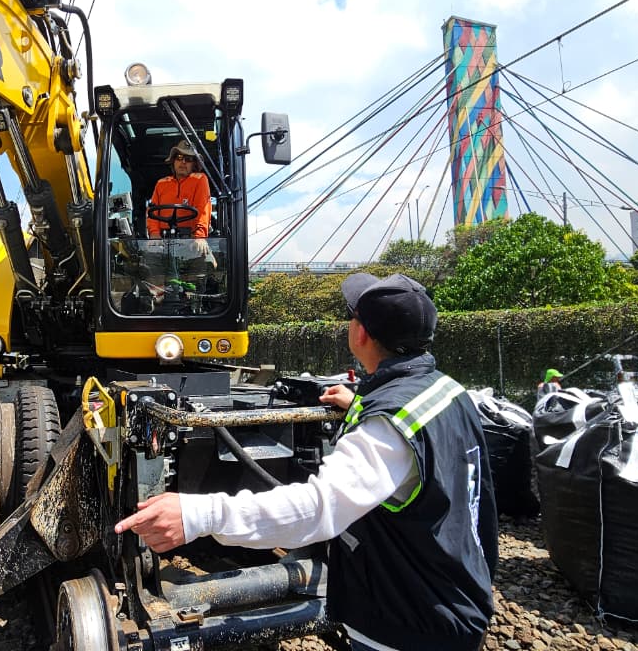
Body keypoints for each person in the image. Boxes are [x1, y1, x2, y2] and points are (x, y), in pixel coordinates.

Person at [116, 273, 498, 651]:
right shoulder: (446, 392)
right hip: (453, 592)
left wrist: (198, 515)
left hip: (409, 624)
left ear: (361, 334)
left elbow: (318, 510)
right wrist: (361, 405)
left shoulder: (386, 427)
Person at [147, 140, 211, 238]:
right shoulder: (161, 183)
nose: (183, 162)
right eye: (179, 157)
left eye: (188, 159)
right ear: (173, 161)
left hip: (191, 239)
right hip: (163, 240)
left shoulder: (200, 179)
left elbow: (202, 209)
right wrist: (154, 234)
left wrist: (200, 237)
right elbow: (152, 212)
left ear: (194, 164)